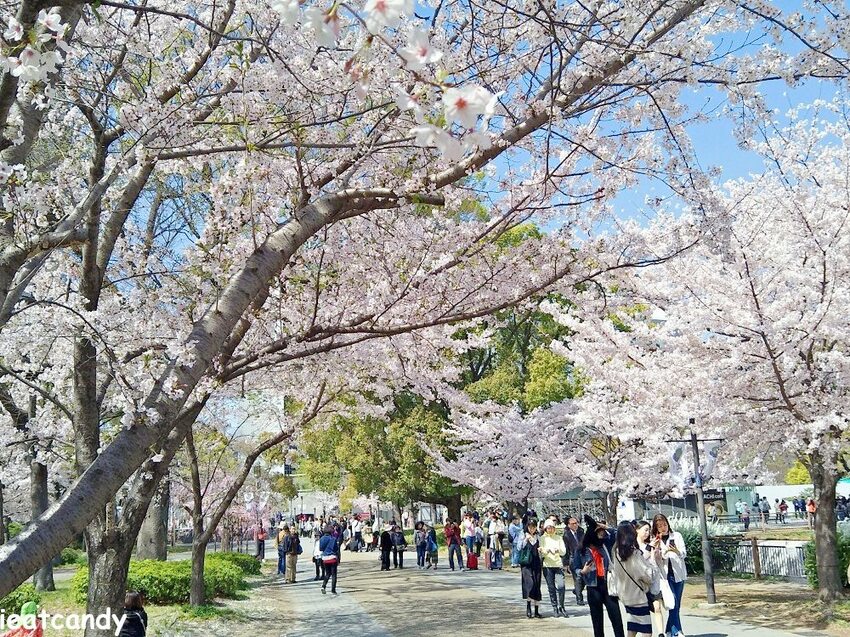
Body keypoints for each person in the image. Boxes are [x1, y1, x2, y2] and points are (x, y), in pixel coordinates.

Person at [574, 515, 624, 637]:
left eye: (603, 533)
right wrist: (583, 571)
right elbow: (575, 568)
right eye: (600, 533)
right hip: (593, 586)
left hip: (607, 585)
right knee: (597, 621)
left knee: (616, 618)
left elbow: (618, 533)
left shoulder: (605, 545)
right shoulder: (581, 550)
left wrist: (605, 526)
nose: (602, 535)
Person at [611, 522, 654, 637]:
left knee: (633, 627)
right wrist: (652, 570)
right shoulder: (634, 553)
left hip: (625, 595)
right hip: (638, 597)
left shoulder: (616, 552)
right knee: (646, 631)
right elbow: (646, 575)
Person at [651, 514, 686, 637]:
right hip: (665, 576)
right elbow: (655, 560)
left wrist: (676, 551)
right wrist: (658, 550)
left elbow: (683, 554)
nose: (663, 528)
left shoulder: (676, 536)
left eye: (664, 524)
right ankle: (677, 631)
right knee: (673, 603)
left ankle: (669, 630)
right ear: (656, 528)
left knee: (676, 605)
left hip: (679, 574)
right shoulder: (655, 540)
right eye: (659, 526)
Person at [636, 521, 665, 637]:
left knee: (657, 607)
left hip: (654, 580)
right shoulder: (634, 546)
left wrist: (657, 552)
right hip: (641, 583)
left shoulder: (651, 544)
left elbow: (657, 562)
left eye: (649, 530)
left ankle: (661, 633)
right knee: (644, 613)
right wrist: (650, 547)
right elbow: (640, 560)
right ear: (637, 530)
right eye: (645, 530)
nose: (647, 533)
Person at [539, 518, 567, 617]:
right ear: (545, 529)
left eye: (552, 527)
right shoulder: (542, 538)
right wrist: (546, 551)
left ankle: (562, 606)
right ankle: (554, 606)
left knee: (561, 586)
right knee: (551, 588)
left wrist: (557, 550)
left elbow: (563, 551)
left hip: (558, 565)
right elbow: (541, 552)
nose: (550, 529)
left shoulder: (558, 538)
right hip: (547, 566)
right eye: (548, 528)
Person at [517, 519, 543, 618]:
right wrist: (525, 540)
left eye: (534, 527)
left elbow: (541, 548)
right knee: (529, 583)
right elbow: (519, 547)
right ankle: (528, 606)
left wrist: (541, 550)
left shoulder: (538, 536)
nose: (532, 529)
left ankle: (536, 609)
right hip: (526, 563)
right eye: (530, 527)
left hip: (536, 562)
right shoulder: (523, 535)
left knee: (537, 584)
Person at [563, 516, 586, 605]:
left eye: (576, 523)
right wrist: (566, 563)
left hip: (582, 556)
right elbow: (565, 550)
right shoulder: (566, 535)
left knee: (584, 578)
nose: (575, 525)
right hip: (573, 557)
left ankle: (577, 590)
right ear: (569, 525)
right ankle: (579, 599)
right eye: (573, 523)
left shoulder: (581, 532)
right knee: (577, 578)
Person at [319, 526, 340, 595]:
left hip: (325, 558)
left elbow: (321, 549)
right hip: (332, 557)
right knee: (334, 575)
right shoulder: (333, 539)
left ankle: (323, 586)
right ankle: (333, 589)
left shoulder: (321, 539)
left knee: (327, 573)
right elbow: (336, 549)